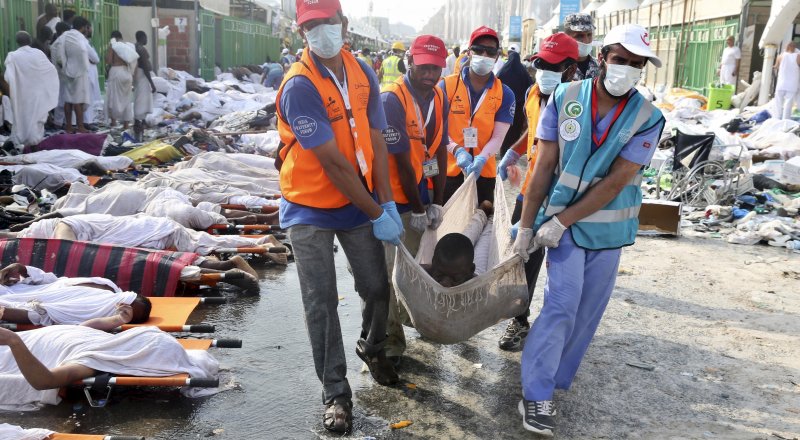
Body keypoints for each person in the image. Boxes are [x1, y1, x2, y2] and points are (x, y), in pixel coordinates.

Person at [511, 24, 665, 436]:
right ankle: (536, 393)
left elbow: (617, 181)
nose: (627, 69)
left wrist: (561, 220)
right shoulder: (565, 97)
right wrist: (526, 226)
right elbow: (543, 165)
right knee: (561, 304)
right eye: (620, 60)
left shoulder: (648, 117)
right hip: (562, 229)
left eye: (636, 64)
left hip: (605, 230)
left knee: (585, 314)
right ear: (602, 58)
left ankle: (553, 379)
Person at [275, 0, 404, 432]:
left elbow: (377, 140)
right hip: (309, 205)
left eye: (327, 22)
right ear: (302, 33)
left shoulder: (362, 71)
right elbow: (332, 163)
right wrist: (376, 210)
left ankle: (373, 346)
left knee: (376, 286)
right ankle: (335, 392)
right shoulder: (299, 85)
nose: (321, 31)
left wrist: (386, 202)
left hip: (357, 201)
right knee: (322, 301)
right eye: (311, 25)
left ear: (343, 23)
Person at [495, 32, 578, 352]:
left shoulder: (579, 104)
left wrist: (550, 208)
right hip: (531, 188)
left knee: (563, 266)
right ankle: (520, 319)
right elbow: (534, 129)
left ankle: (561, 329)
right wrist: (513, 152)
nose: (544, 72)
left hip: (564, 195)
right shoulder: (533, 92)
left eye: (553, 67)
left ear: (571, 70)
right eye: (541, 65)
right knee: (523, 253)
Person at [380, 35, 449, 365]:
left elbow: (438, 149)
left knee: (415, 270)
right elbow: (401, 162)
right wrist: (419, 209)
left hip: (421, 193)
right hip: (393, 201)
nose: (430, 73)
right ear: (409, 61)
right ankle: (391, 342)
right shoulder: (392, 100)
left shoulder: (439, 96)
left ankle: (411, 319)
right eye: (423, 66)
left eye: (436, 67)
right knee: (389, 274)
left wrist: (438, 200)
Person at [0, 325, 218, 408]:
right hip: (39, 336)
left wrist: (13, 341)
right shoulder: (104, 340)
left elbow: (43, 381)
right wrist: (117, 318)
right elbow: (85, 326)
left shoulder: (93, 360)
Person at [439, 25, 516, 205]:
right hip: (449, 170)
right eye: (479, 50)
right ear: (469, 52)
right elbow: (438, 130)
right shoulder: (447, 86)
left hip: (484, 172)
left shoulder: (505, 93)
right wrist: (457, 150)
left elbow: (498, 137)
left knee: (481, 218)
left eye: (490, 51)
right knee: (447, 220)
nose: (484, 55)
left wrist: (482, 157)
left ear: (497, 56)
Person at [0, 263, 152, 330]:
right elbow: (55, 281)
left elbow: (40, 314)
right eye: (127, 304)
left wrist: (4, 311)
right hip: (17, 285)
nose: (123, 307)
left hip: (10, 299)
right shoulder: (107, 286)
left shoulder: (93, 313)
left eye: (127, 312)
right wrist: (23, 269)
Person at [3, 31, 59, 147]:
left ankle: (23, 139)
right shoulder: (38, 53)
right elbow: (50, 70)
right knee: (37, 116)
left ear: (17, 42)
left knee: (24, 116)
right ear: (30, 41)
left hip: (21, 92)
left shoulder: (13, 56)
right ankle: (35, 141)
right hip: (37, 91)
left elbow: (8, 77)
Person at [497, 49, 533, 157]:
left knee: (504, 131)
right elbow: (530, 87)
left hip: (504, 107)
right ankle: (511, 153)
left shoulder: (503, 71)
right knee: (515, 131)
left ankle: (503, 152)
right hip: (518, 109)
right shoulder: (523, 72)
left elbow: (495, 85)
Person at [59, 16, 92, 134]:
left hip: (67, 69)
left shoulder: (65, 35)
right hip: (80, 72)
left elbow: (58, 50)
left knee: (68, 100)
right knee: (78, 100)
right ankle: (80, 126)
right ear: (83, 27)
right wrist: (85, 66)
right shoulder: (81, 38)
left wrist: (64, 67)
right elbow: (87, 53)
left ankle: (69, 126)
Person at [105, 30, 136, 129]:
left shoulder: (114, 46)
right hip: (127, 73)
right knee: (126, 99)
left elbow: (109, 60)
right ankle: (126, 124)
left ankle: (114, 122)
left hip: (116, 72)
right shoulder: (128, 46)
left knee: (113, 98)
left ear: (113, 38)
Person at [133, 30, 156, 141]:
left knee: (140, 97)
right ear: (142, 37)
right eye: (146, 37)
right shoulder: (141, 49)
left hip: (139, 75)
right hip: (142, 75)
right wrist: (152, 83)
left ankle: (140, 121)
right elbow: (146, 67)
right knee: (141, 99)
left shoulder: (136, 47)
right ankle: (138, 121)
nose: (147, 40)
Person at [563, 13, 599, 81]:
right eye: (579, 36)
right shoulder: (559, 67)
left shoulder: (599, 66)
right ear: (567, 37)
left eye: (589, 34)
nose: (586, 41)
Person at [774, 41, 800, 120]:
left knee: (778, 103)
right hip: (792, 84)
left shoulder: (780, 56)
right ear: (794, 47)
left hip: (781, 83)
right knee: (788, 104)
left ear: (787, 47)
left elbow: (776, 67)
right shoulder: (798, 56)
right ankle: (785, 120)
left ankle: (777, 118)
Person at [82, 23, 102, 129]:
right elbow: (96, 59)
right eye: (90, 28)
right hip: (87, 74)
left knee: (90, 98)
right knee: (88, 99)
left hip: (89, 74)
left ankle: (89, 120)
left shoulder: (86, 42)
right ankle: (88, 121)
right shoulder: (84, 43)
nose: (91, 30)